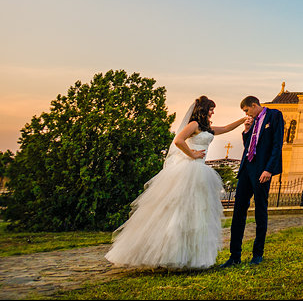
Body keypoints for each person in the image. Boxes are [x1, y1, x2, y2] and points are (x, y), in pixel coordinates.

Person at [105, 96, 247, 269]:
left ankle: (191, 257)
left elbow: (225, 128)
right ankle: (166, 253)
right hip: (189, 170)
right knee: (179, 212)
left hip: (201, 173)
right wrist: (192, 154)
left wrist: (242, 120)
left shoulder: (207, 128)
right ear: (203, 110)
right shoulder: (193, 125)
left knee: (197, 215)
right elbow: (178, 140)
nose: (213, 112)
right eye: (211, 109)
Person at [221, 95, 284, 267]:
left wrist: (269, 169)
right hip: (247, 168)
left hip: (262, 169)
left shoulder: (274, 116)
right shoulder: (253, 122)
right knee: (238, 211)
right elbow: (249, 145)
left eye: (247, 110)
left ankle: (257, 254)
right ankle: (234, 256)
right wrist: (247, 131)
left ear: (254, 105)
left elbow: (277, 144)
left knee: (260, 211)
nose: (247, 114)